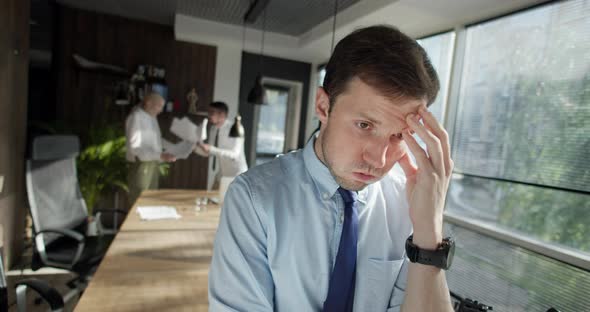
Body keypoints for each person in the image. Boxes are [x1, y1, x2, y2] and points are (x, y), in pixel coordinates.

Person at [208, 25, 455, 312]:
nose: (378, 159)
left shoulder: (408, 204)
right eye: (365, 125)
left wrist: (429, 232)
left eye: (398, 135)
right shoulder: (253, 199)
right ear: (323, 107)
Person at [125, 92, 176, 205]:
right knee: (138, 201)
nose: (161, 110)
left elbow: (157, 141)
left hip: (152, 163)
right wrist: (160, 155)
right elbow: (135, 149)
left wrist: (175, 148)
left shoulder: (152, 118)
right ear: (148, 103)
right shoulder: (136, 117)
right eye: (159, 106)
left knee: (150, 199)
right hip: (140, 165)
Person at [196, 101, 248, 188]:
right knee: (211, 198)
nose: (209, 115)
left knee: (228, 200)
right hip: (223, 173)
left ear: (222, 114)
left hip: (237, 174)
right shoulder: (213, 129)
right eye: (209, 112)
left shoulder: (236, 128)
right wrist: (195, 147)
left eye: (212, 112)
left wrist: (211, 149)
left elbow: (234, 154)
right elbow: (210, 152)